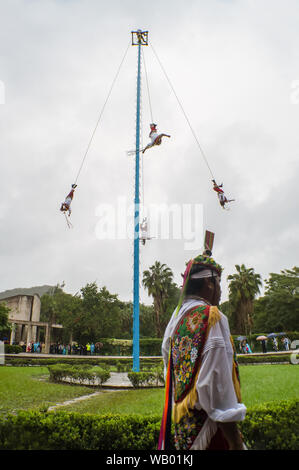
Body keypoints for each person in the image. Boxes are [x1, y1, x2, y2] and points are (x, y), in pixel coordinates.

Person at [159, 250, 246, 450]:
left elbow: (169, 370)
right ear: (209, 283)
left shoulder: (176, 322)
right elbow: (216, 386)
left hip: (183, 433)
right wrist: (235, 442)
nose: (221, 290)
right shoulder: (211, 316)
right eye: (219, 283)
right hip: (211, 432)